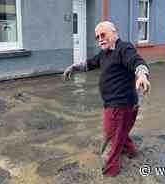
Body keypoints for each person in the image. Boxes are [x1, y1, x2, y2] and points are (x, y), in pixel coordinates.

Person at [63, 21, 151, 177]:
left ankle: (110, 171)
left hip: (120, 105)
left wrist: (142, 75)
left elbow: (137, 61)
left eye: (103, 35)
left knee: (111, 138)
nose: (100, 39)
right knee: (120, 132)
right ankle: (131, 152)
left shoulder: (124, 48)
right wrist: (74, 67)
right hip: (122, 104)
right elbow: (90, 63)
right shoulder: (105, 53)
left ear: (114, 33)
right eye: (97, 37)